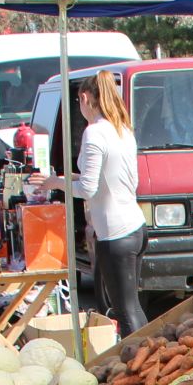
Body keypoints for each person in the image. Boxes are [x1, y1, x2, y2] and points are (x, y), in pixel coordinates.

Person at [34, 72, 145, 335]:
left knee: (124, 310)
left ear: (84, 98)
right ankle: (148, 354)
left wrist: (55, 184)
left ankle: (141, 361)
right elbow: (112, 176)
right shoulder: (122, 129)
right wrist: (65, 177)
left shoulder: (94, 132)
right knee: (132, 305)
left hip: (115, 232)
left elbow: (87, 189)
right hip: (135, 225)